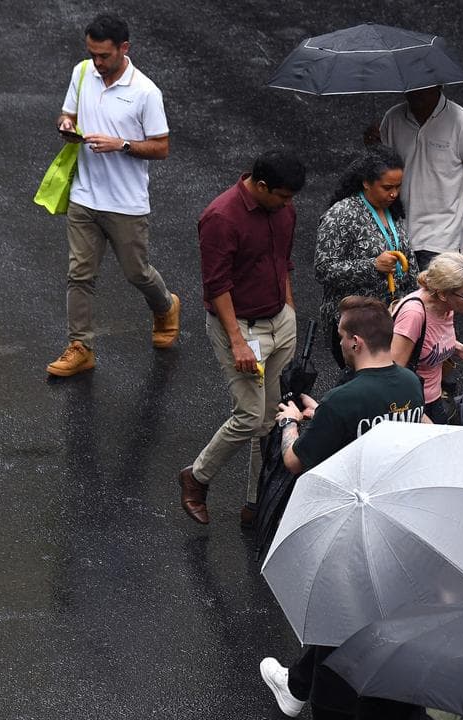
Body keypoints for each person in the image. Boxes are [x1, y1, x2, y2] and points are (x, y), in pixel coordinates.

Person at [260, 295, 427, 720]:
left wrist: (291, 424)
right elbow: (376, 427)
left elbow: (296, 460)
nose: (340, 343)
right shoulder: (408, 383)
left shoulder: (343, 398)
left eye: (340, 337)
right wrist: (323, 415)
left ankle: (315, 695)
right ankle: (297, 686)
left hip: (350, 524)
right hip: (394, 517)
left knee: (340, 614)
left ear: (354, 342)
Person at [47, 13, 180, 377]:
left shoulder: (146, 92)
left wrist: (120, 144)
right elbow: (67, 112)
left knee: (136, 272)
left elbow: (161, 147)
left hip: (125, 203)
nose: (97, 63)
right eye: (92, 54)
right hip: (84, 196)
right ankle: (81, 346)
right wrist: (66, 124)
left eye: (104, 56)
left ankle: (166, 306)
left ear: (124, 49)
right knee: (79, 274)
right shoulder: (81, 72)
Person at [178, 151, 306, 527]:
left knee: (271, 417)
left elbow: (284, 261)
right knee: (251, 416)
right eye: (282, 196)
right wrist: (236, 340)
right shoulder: (220, 217)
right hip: (241, 328)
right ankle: (197, 477)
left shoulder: (284, 210)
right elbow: (217, 285)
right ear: (261, 186)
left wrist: (291, 310)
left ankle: (256, 502)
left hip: (280, 320)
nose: (289, 204)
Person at [315, 146, 414, 367]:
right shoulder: (341, 214)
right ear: (366, 182)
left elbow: (408, 258)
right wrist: (372, 266)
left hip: (392, 318)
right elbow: (323, 270)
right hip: (355, 325)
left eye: (398, 187)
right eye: (387, 187)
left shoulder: (392, 210)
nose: (394, 194)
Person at [379, 85, 463, 270]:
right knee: (398, 300)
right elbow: (381, 171)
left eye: (424, 86)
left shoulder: (461, 122)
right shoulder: (393, 119)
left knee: (437, 299)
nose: (416, 91)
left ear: (439, 84)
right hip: (397, 238)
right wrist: (373, 144)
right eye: (412, 85)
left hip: (443, 242)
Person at [389, 252, 463, 424]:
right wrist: (418, 417)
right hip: (409, 406)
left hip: (433, 398)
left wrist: (458, 349)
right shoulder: (413, 315)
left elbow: (429, 340)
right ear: (443, 294)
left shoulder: (446, 307)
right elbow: (391, 375)